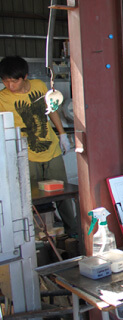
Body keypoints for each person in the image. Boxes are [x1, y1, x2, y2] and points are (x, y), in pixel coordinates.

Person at [0, 56, 78, 236]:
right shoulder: (2, 98)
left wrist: (63, 134)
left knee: (63, 192)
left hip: (51, 149)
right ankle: (36, 235)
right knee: (31, 196)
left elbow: (52, 111)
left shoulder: (39, 86)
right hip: (25, 154)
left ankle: (73, 231)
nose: (10, 85)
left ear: (25, 76)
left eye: (14, 81)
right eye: (5, 81)